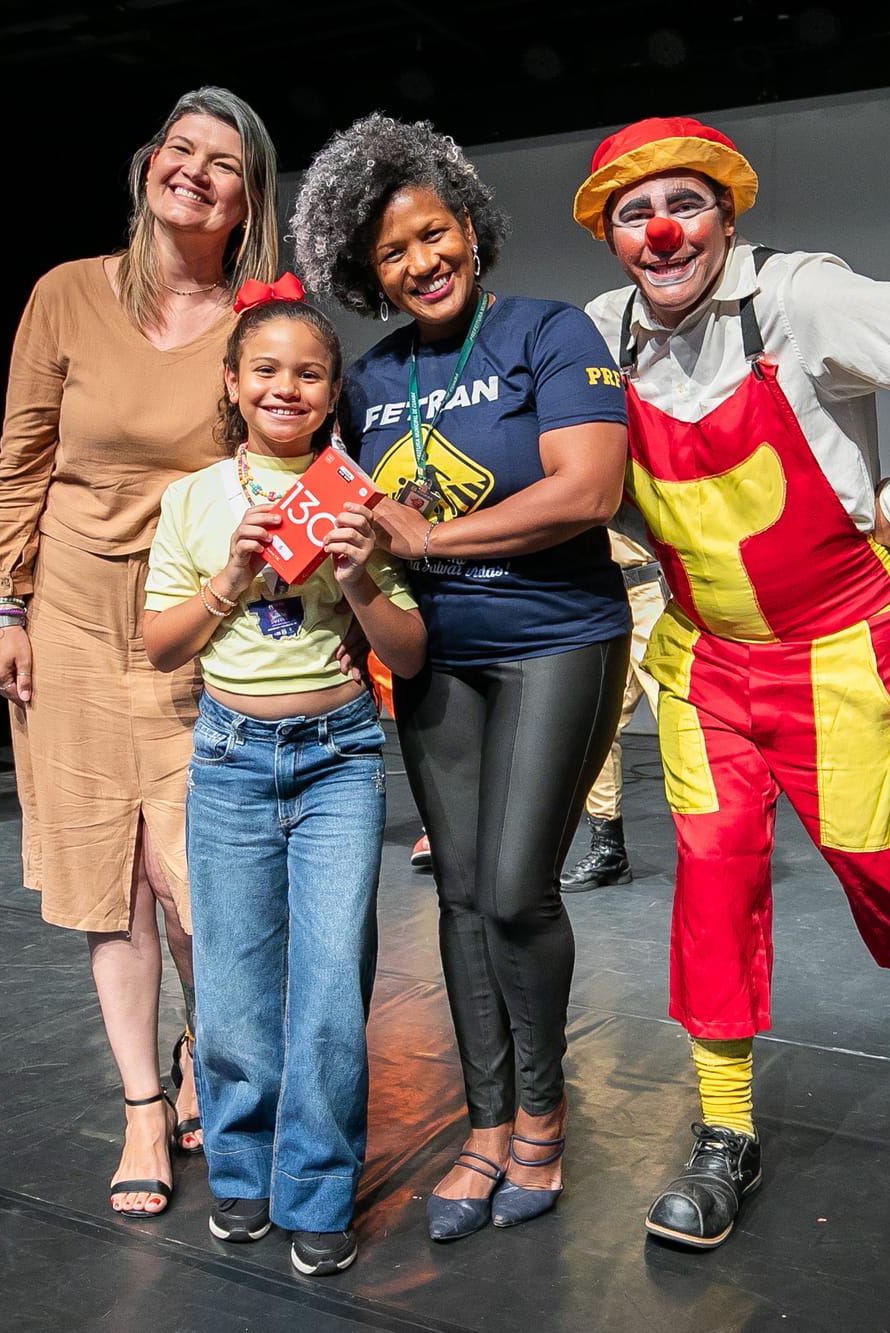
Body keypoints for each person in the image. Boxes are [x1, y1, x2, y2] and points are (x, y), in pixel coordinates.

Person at [572, 116, 890, 1248]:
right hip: (702, 658)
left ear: (727, 216)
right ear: (610, 237)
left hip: (835, 649)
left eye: (683, 205)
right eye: (633, 213)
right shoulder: (597, 336)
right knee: (711, 879)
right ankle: (723, 1133)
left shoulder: (799, 300)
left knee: (887, 867)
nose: (661, 230)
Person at [291, 114, 630, 1241]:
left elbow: (587, 491)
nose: (419, 263)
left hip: (554, 638)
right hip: (438, 657)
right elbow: (344, 510)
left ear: (470, 231)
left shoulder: (546, 331)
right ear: (365, 270)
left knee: (515, 884)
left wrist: (430, 540)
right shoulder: (374, 374)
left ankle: (542, 1118)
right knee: (457, 892)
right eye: (391, 254)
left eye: (433, 235)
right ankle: (484, 1129)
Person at [0, 86, 279, 1220]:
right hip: (66, 614)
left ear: (248, 196)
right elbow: (21, 459)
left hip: (198, 618)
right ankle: (143, 1104)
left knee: (199, 881)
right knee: (111, 884)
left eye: (224, 161)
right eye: (180, 149)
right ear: (150, 163)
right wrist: (2, 609)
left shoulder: (259, 316)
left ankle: (209, 1044)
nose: (194, 170)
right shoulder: (66, 293)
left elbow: (282, 454)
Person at [143, 282, 424, 1276]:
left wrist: (355, 576)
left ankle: (315, 1185)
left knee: (329, 987)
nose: (286, 386)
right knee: (230, 987)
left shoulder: (354, 493)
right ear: (232, 384)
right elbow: (158, 645)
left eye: (308, 372)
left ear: (332, 388)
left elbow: (411, 648)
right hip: (226, 762)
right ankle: (240, 1169)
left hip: (338, 759)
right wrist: (227, 575)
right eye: (264, 369)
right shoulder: (192, 499)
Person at [558, 516, 665, 891]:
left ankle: (717, 849)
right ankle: (609, 851)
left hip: (654, 587)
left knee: (679, 723)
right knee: (597, 724)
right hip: (604, 593)